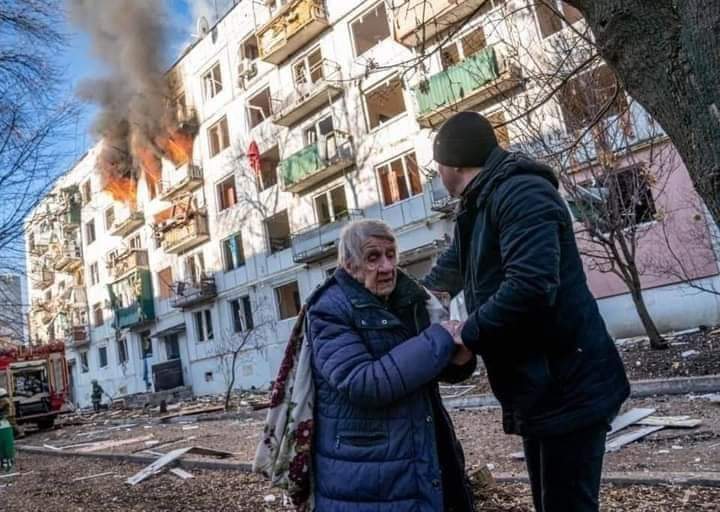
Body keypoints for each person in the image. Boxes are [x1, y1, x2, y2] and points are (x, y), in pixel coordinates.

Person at [423, 111, 630, 512]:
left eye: (437, 167)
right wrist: (421, 299)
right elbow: (453, 265)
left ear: (453, 163)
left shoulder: (522, 194)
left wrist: (467, 333)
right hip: (540, 389)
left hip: (568, 384)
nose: (438, 175)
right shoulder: (479, 202)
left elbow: (531, 287)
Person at [306, 219, 476, 512]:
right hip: (366, 471)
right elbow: (362, 382)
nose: (387, 267)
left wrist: (459, 361)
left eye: (391, 255)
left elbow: (420, 366)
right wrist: (440, 338)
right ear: (349, 264)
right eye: (373, 258)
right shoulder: (328, 309)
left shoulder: (407, 297)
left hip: (420, 454)